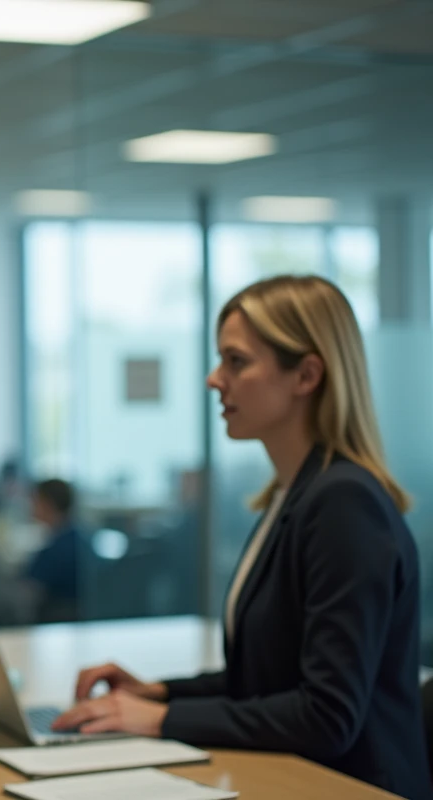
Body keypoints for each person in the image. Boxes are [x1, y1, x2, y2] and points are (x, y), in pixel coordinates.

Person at [53, 275, 431, 799]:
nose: (214, 379)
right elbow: (268, 680)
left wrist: (159, 719)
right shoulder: (294, 495)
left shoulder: (345, 504)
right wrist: (157, 693)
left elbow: (326, 715)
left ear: (307, 374)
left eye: (236, 361)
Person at [24, 479, 81, 623]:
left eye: (35, 501)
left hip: (57, 619)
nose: (31, 507)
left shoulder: (55, 550)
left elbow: (31, 587)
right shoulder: (76, 536)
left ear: (47, 504)